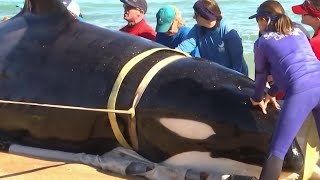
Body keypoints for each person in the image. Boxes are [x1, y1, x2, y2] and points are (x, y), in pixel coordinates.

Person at [248, 0, 320, 179]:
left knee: (277, 151)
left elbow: (260, 76)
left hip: (301, 91)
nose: (258, 25)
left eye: (258, 21)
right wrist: (272, 93)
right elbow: (291, 68)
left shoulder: (262, 42)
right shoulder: (299, 31)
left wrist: (258, 97)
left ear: (264, 20)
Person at [176, 0, 248, 75]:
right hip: (214, 73)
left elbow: (237, 63)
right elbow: (183, 49)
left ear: (205, 15)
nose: (193, 17)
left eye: (196, 14)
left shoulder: (228, 31)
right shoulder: (197, 29)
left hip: (236, 74)